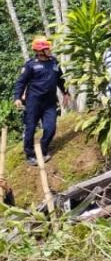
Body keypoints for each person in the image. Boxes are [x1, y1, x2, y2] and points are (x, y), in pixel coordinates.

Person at [12, 37, 70, 166]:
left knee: (50, 128)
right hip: (33, 102)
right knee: (30, 128)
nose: (50, 50)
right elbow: (21, 82)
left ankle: (43, 150)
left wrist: (66, 93)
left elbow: (61, 79)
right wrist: (17, 97)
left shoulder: (54, 63)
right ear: (40, 51)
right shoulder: (31, 65)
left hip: (49, 103)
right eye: (47, 48)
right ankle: (30, 155)